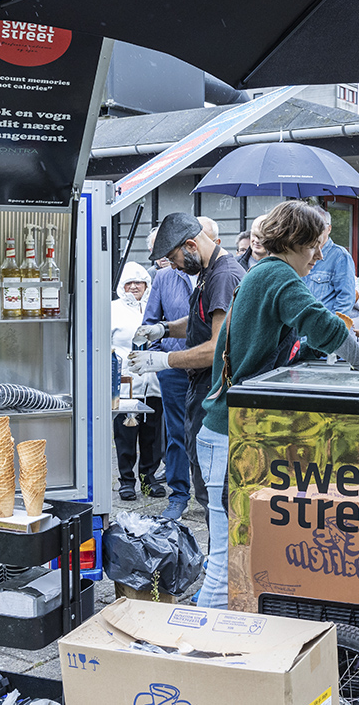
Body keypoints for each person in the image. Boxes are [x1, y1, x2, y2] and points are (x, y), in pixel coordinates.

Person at [197, 200, 359, 609]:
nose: (319, 255)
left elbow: (285, 343)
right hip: (229, 436)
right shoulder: (278, 274)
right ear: (299, 241)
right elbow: (322, 324)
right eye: (316, 244)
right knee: (226, 563)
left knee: (237, 556)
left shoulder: (264, 273)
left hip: (224, 431)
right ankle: (197, 652)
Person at [130, 213, 246, 522]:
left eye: (174, 258)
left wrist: (162, 360)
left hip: (213, 387)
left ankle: (219, 561)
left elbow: (215, 348)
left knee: (214, 489)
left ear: (191, 245)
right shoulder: (208, 272)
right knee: (198, 463)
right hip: (201, 386)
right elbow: (198, 323)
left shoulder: (223, 276)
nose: (175, 266)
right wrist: (164, 329)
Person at [142, 229, 196, 520]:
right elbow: (150, 321)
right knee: (176, 433)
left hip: (209, 367)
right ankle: (178, 495)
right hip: (173, 369)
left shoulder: (217, 275)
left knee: (208, 433)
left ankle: (211, 493)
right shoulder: (163, 278)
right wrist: (158, 356)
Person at [110, 262, 165, 501]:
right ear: (122, 286)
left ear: (146, 284)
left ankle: (148, 480)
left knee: (152, 437)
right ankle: (126, 481)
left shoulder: (155, 307)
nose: (134, 287)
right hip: (126, 384)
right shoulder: (112, 309)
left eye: (139, 282)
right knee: (125, 436)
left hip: (154, 382)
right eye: (129, 283)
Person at [302, 208, 356, 313]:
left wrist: (335, 326)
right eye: (311, 224)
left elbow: (346, 299)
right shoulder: (301, 254)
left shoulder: (340, 256)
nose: (315, 229)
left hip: (324, 325)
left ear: (329, 229)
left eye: (320, 225)